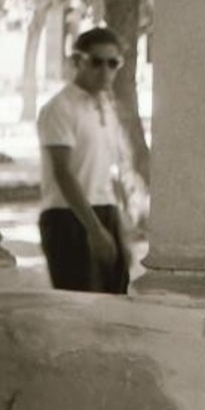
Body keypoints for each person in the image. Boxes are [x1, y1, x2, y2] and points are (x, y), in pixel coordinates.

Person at [36, 26, 132, 294]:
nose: (105, 71)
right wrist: (94, 230)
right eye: (96, 62)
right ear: (78, 61)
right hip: (68, 217)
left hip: (105, 212)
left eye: (113, 63)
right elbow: (63, 173)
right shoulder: (60, 108)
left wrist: (118, 225)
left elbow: (108, 169)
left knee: (117, 307)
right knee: (81, 310)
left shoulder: (106, 106)